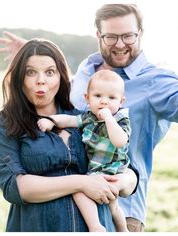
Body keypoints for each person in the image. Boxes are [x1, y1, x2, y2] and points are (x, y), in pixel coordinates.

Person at [0, 3, 178, 232]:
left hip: (120, 207)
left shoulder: (155, 83)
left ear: (141, 33)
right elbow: (62, 99)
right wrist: (37, 58)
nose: (120, 44)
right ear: (99, 36)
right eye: (111, 37)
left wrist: (126, 180)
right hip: (56, 209)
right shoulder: (86, 71)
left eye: (128, 36)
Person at [0, 38, 138, 232]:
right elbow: (13, 186)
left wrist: (123, 181)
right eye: (30, 72)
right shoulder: (5, 122)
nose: (41, 80)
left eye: (50, 72)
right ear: (19, 77)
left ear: (61, 76)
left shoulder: (83, 117)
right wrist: (82, 183)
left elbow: (129, 169)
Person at [37, 69, 131, 232]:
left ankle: (118, 229)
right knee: (90, 195)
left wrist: (109, 119)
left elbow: (120, 141)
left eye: (111, 98)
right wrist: (51, 121)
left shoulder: (120, 120)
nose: (104, 102)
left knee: (109, 205)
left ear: (121, 101)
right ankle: (97, 226)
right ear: (87, 98)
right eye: (97, 96)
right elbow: (70, 120)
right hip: (95, 171)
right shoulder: (88, 118)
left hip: (113, 171)